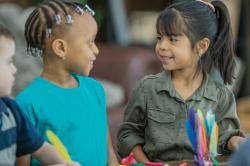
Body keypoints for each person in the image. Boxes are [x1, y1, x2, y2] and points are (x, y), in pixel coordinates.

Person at [117, 0, 245, 162]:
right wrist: (146, 163)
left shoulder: (222, 96)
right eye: (159, 38)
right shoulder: (146, 88)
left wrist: (234, 141)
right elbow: (127, 134)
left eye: (172, 39)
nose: (161, 46)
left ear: (202, 46)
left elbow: (226, 136)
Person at [16, 0, 118, 165]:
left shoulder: (95, 90)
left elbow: (109, 155)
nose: (96, 50)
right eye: (90, 42)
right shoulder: (27, 103)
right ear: (61, 48)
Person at [0, 24, 72, 166]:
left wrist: (66, 163)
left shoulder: (11, 110)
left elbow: (42, 149)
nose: (15, 69)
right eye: (9, 62)